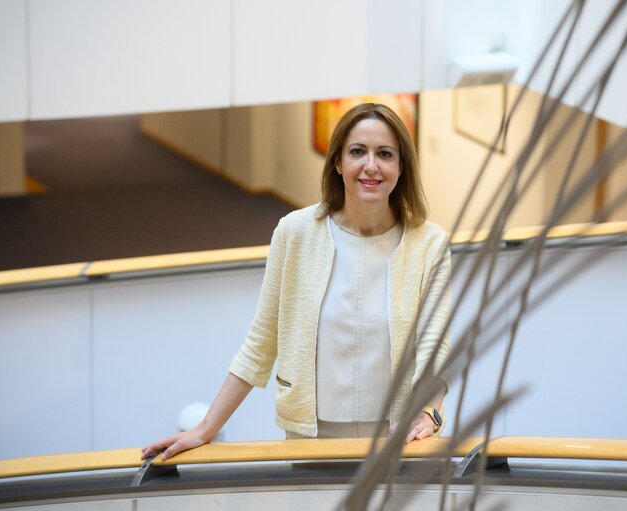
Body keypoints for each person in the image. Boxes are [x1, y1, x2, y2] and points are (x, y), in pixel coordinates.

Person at [142, 103, 451, 462]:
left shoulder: (429, 244)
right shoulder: (296, 233)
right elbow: (261, 341)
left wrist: (430, 412)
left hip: (398, 439)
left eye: (385, 154)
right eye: (357, 152)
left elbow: (435, 345)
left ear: (401, 167)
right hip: (311, 437)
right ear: (337, 162)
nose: (371, 166)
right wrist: (206, 428)